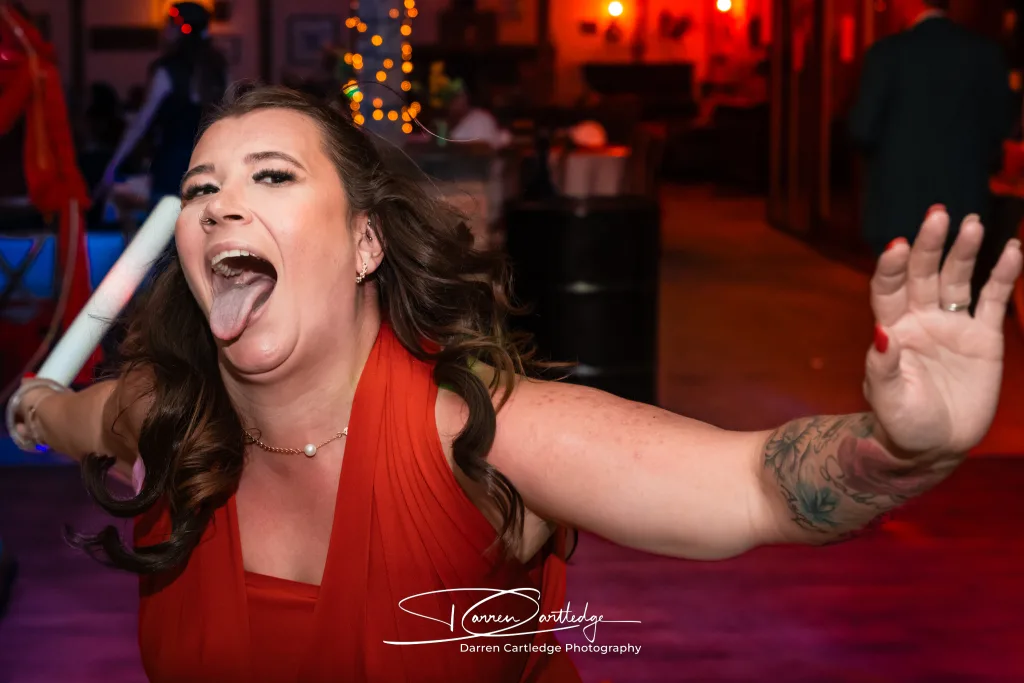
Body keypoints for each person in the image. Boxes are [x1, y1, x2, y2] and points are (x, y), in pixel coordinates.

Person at [7, 84, 1023, 682]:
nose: (221, 205)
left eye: (271, 175)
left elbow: (758, 485)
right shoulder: (171, 415)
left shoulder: (484, 438)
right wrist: (36, 406)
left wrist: (904, 445)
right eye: (199, 189)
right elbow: (72, 413)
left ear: (364, 243)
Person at [849, 0, 1013, 311]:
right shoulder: (984, 54)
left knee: (901, 312)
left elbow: (862, 129)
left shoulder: (888, 54)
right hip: (964, 207)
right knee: (954, 307)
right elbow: (1000, 128)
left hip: (898, 210)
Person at [95, 1, 227, 211]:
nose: (165, 29)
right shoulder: (218, 68)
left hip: (173, 167)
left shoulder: (167, 71)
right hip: (212, 164)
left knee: (167, 232)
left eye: (169, 23)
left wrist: (113, 165)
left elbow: (140, 124)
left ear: (180, 30)